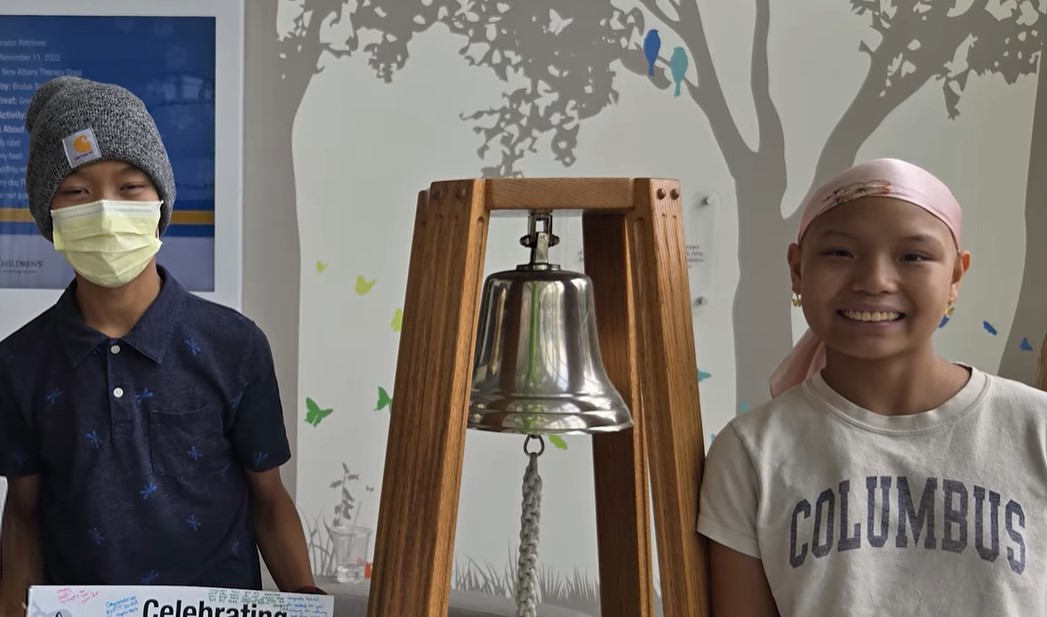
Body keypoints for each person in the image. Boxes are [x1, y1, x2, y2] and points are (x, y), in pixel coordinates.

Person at [0, 77, 319, 609]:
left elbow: (268, 499)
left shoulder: (235, 345)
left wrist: (306, 596)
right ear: (49, 217)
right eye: (77, 191)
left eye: (130, 188)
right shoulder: (19, 363)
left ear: (161, 201)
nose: (105, 210)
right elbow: (24, 514)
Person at [697, 158, 1047, 616]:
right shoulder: (750, 453)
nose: (874, 281)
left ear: (955, 277)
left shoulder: (1034, 428)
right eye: (841, 253)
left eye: (913, 256)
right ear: (797, 270)